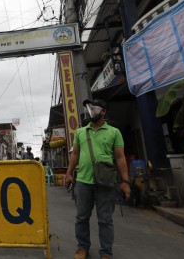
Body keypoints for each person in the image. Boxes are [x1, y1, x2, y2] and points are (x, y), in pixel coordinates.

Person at [65, 99, 131, 259]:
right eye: (89, 109)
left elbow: (120, 157)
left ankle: (106, 253)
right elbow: (75, 154)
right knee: (81, 217)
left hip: (106, 181)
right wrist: (68, 173)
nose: (90, 112)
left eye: (94, 109)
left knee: (105, 220)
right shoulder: (81, 132)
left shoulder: (114, 132)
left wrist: (125, 181)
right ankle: (82, 247)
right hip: (83, 181)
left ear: (103, 112)